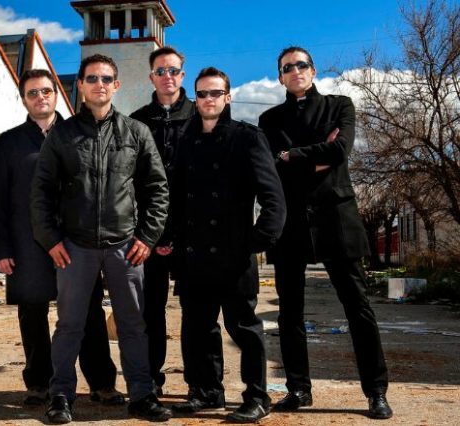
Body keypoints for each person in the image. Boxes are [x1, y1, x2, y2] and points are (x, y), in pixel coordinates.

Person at [30, 54, 172, 424]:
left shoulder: (135, 132)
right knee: (69, 326)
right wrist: (51, 239)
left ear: (116, 85)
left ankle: (141, 395)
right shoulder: (62, 134)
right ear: (80, 85)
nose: (99, 85)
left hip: (125, 246)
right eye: (91, 78)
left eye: (106, 78)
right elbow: (41, 190)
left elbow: (157, 188)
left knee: (133, 324)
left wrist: (147, 236)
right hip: (74, 246)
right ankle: (61, 397)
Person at [258, 46, 392, 419]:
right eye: (287, 67)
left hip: (336, 218)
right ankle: (298, 389)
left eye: (301, 64)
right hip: (291, 223)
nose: (295, 70)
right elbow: (272, 166)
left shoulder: (339, 106)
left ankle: (376, 392)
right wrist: (314, 156)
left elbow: (340, 151)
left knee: (358, 307)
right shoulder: (270, 119)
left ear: (313, 70)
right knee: (289, 313)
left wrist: (293, 156)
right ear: (280, 77)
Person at [0, 69, 123, 407]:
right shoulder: (10, 142)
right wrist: (0, 248)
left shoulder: (80, 133)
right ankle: (39, 383)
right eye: (32, 93)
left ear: (57, 94)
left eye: (46, 91)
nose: (40, 98)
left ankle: (102, 383)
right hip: (27, 243)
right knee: (32, 312)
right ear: (23, 100)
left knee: (88, 311)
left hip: (77, 242)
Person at [167, 67, 285, 423]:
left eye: (215, 93)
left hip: (234, 254)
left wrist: (257, 240)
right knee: (197, 328)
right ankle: (206, 392)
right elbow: (175, 198)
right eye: (202, 94)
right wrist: (170, 240)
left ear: (228, 97)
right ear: (195, 99)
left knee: (244, 328)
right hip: (193, 254)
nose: (208, 99)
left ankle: (257, 396)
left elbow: (273, 198)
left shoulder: (247, 137)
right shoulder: (185, 140)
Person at [130, 46, 195, 396]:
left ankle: (201, 383)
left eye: (172, 70)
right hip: (148, 233)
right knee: (150, 311)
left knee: (196, 311)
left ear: (182, 75)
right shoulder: (136, 122)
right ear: (151, 77)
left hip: (191, 233)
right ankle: (150, 380)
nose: (167, 76)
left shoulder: (200, 115)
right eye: (160, 71)